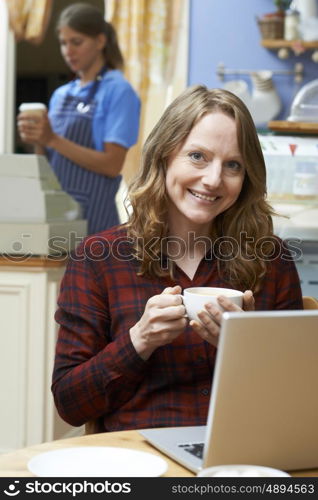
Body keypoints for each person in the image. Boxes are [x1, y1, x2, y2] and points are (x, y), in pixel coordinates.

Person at [52, 85, 303, 432]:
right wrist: (140, 339)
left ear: (246, 178)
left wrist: (246, 348)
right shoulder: (98, 258)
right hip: (139, 459)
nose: (213, 179)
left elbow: (300, 397)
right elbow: (70, 404)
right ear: (164, 155)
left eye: (233, 165)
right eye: (198, 156)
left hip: (240, 456)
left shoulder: (271, 259)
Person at [17, 2, 140, 234]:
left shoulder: (119, 91)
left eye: (77, 42)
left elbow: (112, 165)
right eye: (63, 43)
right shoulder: (61, 95)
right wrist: (38, 140)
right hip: (57, 215)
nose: (68, 51)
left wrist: (53, 139)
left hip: (96, 218)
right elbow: (48, 163)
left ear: (100, 41)